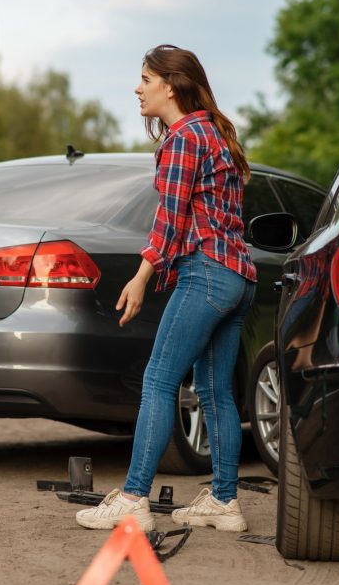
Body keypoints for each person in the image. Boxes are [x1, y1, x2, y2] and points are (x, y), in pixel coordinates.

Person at [76, 45, 257, 533]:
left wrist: (140, 277)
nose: (138, 88)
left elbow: (170, 220)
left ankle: (134, 497)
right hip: (238, 276)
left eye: (145, 79)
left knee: (158, 380)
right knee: (216, 392)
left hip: (206, 274)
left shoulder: (183, 139)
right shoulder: (216, 133)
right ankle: (224, 502)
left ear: (170, 85)